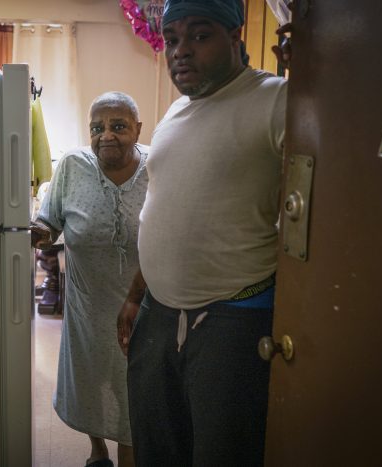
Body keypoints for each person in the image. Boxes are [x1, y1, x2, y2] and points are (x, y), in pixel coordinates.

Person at [116, 0, 288, 465]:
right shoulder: (176, 113)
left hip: (232, 318)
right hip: (158, 312)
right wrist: (137, 293)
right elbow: (164, 210)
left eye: (199, 35)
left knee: (223, 453)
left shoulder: (275, 100)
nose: (180, 51)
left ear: (235, 37)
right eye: (172, 40)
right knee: (157, 447)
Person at [32, 92, 148, 467]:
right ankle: (98, 452)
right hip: (87, 303)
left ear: (138, 130)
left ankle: (128, 458)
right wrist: (33, 231)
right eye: (97, 128)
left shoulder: (157, 166)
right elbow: (49, 221)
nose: (106, 136)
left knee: (134, 387)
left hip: (144, 303)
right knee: (90, 380)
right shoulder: (72, 165)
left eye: (118, 126)